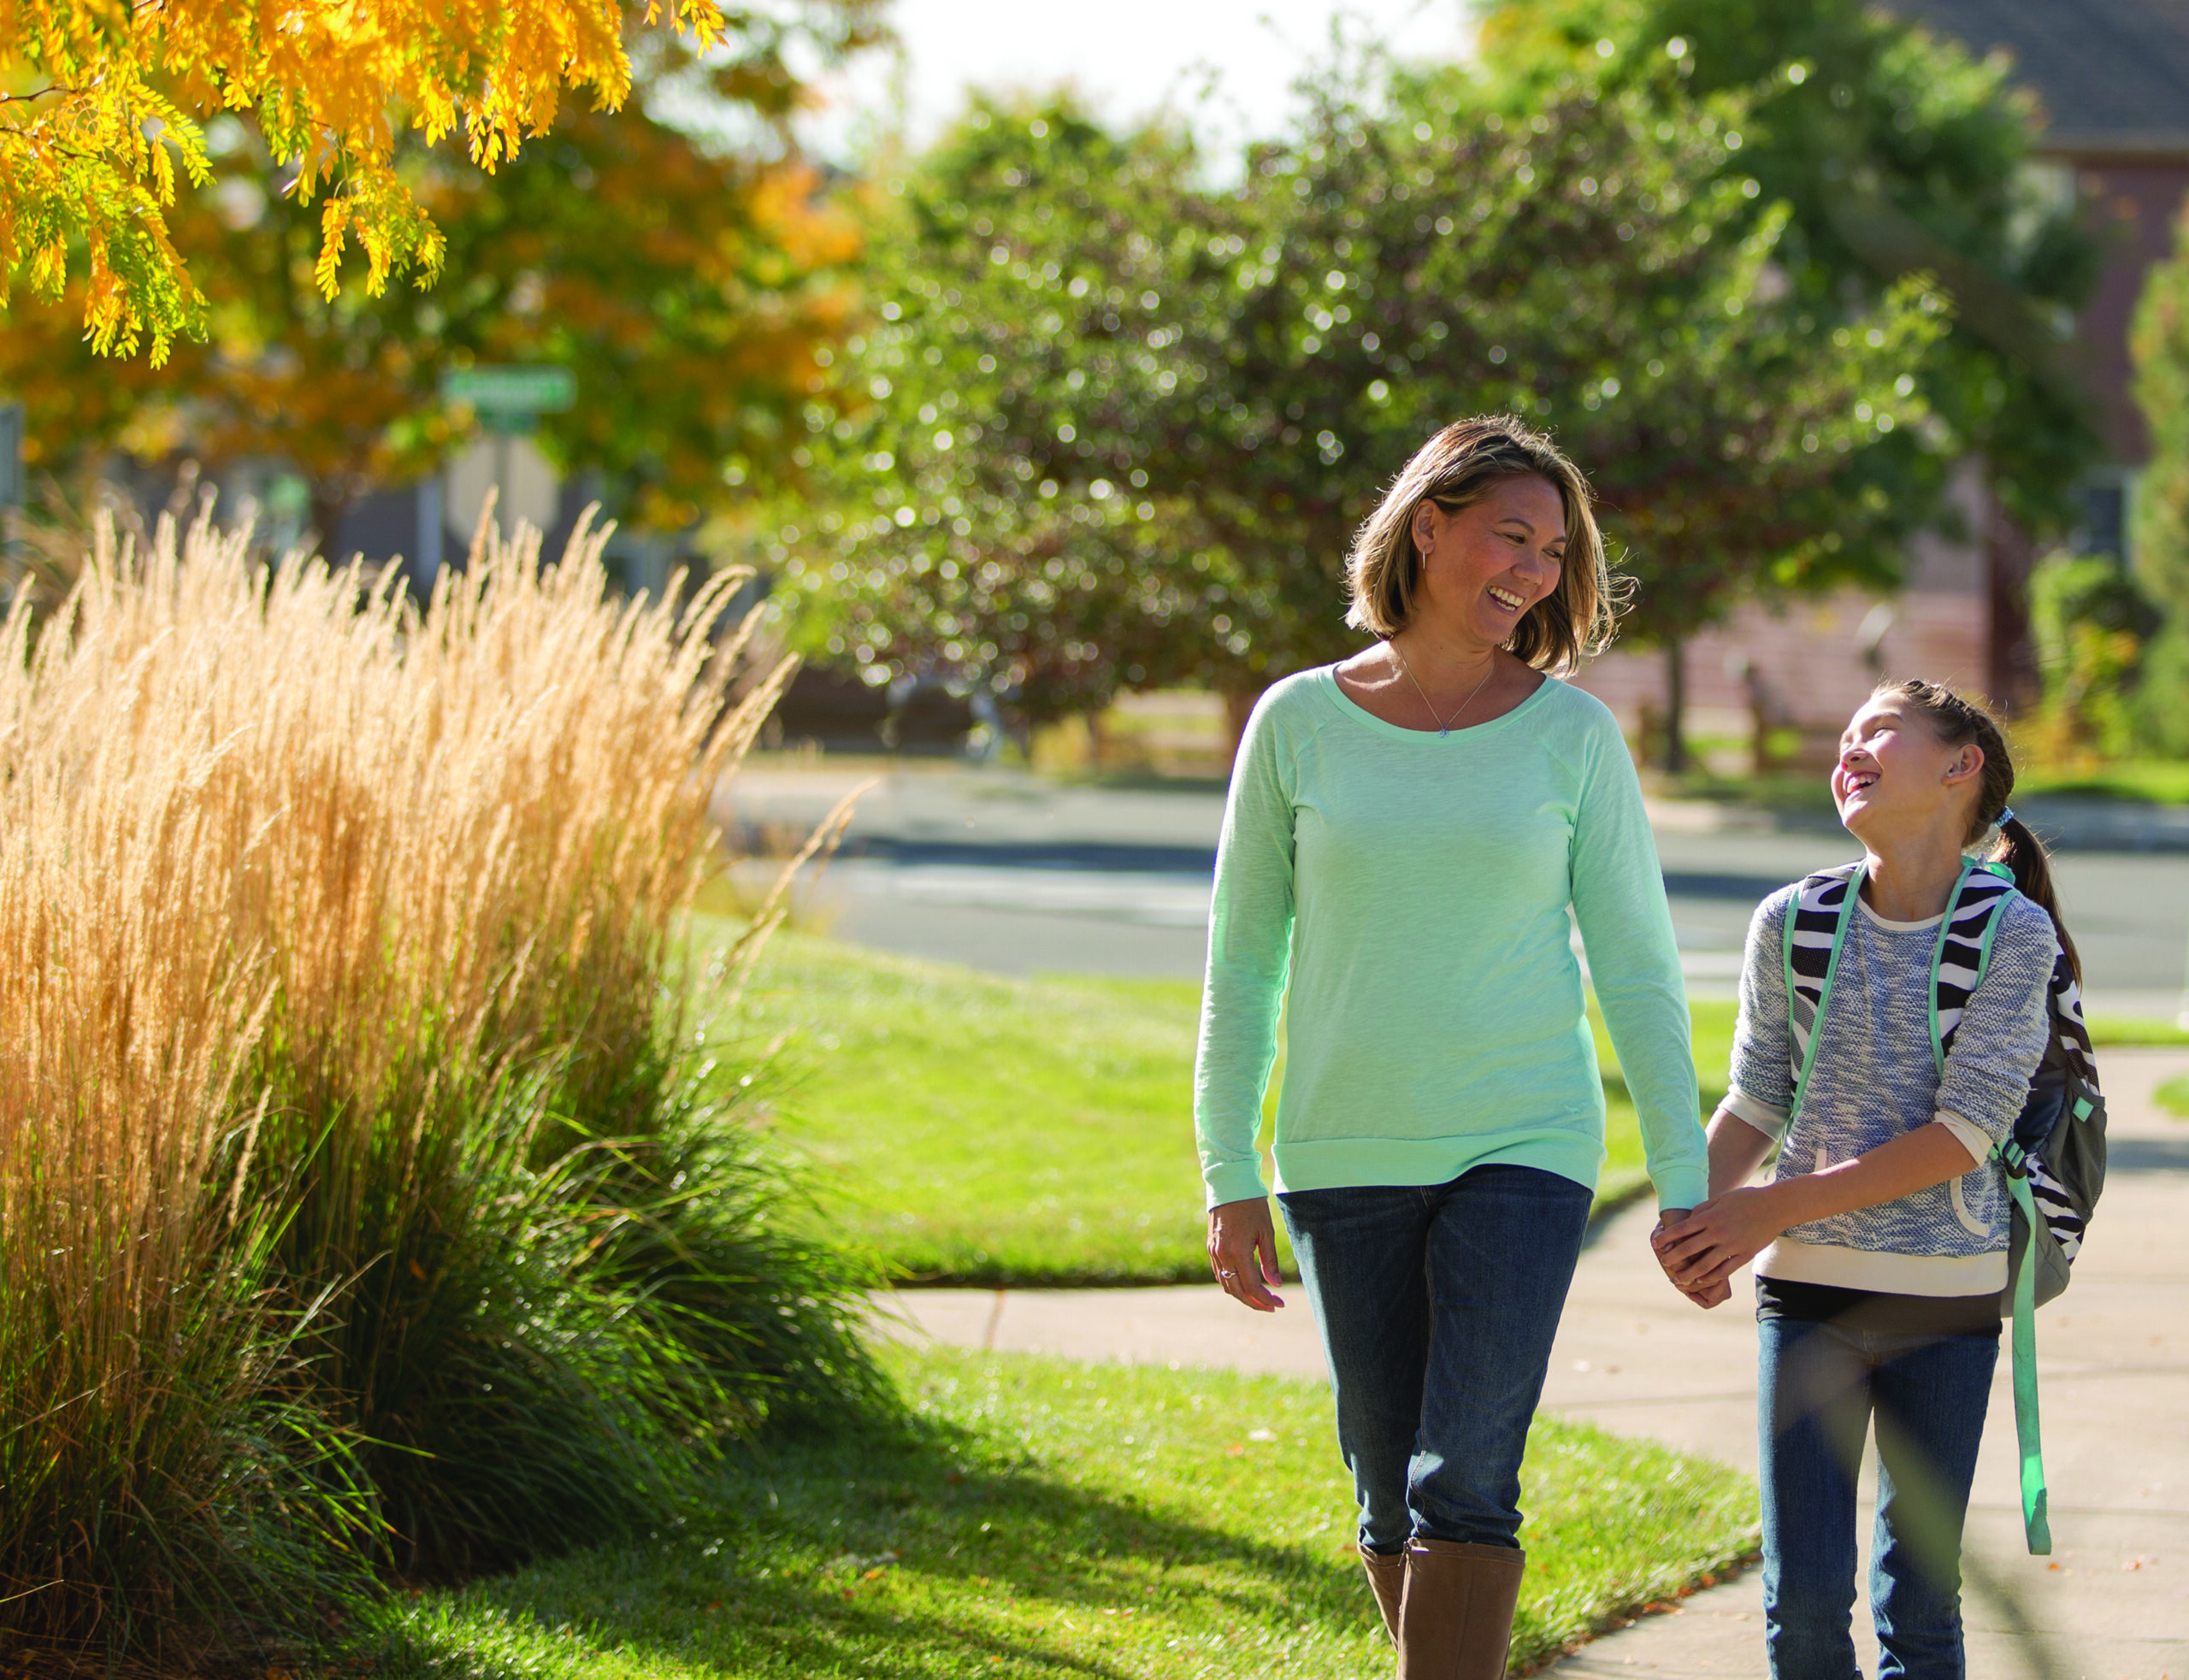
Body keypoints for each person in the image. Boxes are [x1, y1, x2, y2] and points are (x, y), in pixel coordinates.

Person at [1193, 416, 1709, 1679]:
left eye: (1553, 551)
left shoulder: (1572, 737)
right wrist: (1228, 1168)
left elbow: (1638, 967)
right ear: (1429, 525)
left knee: (1466, 1474)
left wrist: (1688, 1184)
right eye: (1510, 536)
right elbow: (1243, 962)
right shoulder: (1297, 723)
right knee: (1386, 1483)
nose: (1533, 570)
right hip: (1343, 1142)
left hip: (1524, 1140)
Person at [1655, 679, 2080, 1679]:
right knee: (1800, 1602)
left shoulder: (2011, 932)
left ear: (1957, 766)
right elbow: (1758, 1095)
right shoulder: (1792, 919)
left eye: (1875, 731)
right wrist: (1692, 1215)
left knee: (1918, 1604)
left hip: (1948, 1303)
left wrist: (1767, 1207)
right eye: (1842, 734)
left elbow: (1964, 1132)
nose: (1848, 747)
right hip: (1805, 1294)